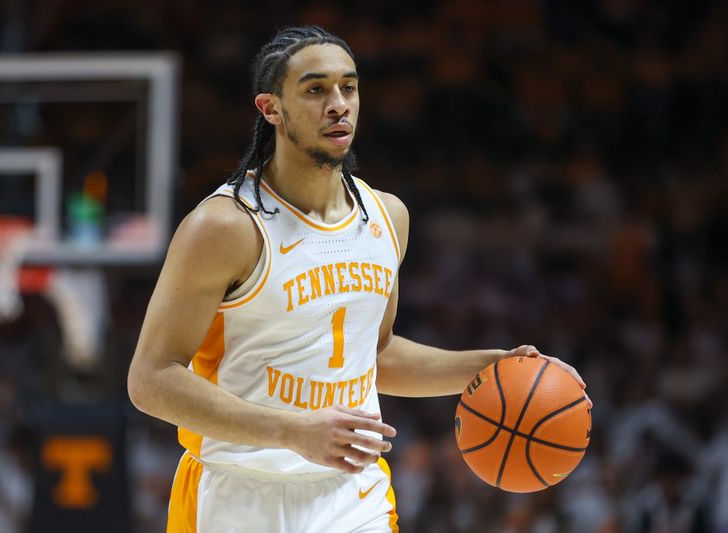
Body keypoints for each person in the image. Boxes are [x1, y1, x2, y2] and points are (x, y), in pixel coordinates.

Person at [127, 26, 590, 532]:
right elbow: (151, 380)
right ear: (270, 109)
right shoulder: (225, 226)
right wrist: (291, 431)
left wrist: (490, 368)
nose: (338, 104)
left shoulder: (387, 217)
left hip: (352, 496)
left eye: (348, 87)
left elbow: (374, 355)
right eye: (315, 89)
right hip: (238, 493)